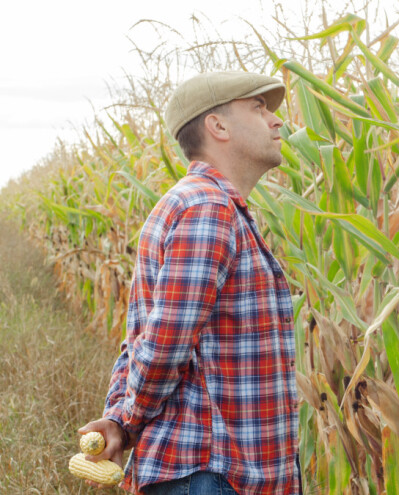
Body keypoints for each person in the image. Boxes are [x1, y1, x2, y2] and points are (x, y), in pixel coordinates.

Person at [78, 71, 301, 494]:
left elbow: (141, 338)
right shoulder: (207, 209)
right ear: (218, 127)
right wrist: (125, 423)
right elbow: (165, 342)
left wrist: (118, 414)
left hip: (211, 473)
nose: (277, 121)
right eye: (258, 108)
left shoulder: (198, 204)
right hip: (213, 474)